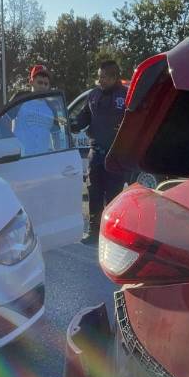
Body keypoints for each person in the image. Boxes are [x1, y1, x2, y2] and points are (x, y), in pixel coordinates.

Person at [71, 60, 128, 243]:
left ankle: (113, 235)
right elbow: (83, 118)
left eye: (103, 77)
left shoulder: (126, 95)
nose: (100, 80)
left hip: (116, 156)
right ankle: (94, 233)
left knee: (113, 198)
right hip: (95, 154)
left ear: (114, 77)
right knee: (94, 194)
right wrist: (71, 125)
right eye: (99, 76)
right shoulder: (93, 95)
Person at [13, 66, 57, 156]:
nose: (43, 86)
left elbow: (56, 134)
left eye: (46, 84)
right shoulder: (20, 99)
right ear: (31, 82)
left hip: (44, 159)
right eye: (40, 82)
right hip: (22, 159)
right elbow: (4, 119)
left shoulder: (51, 107)